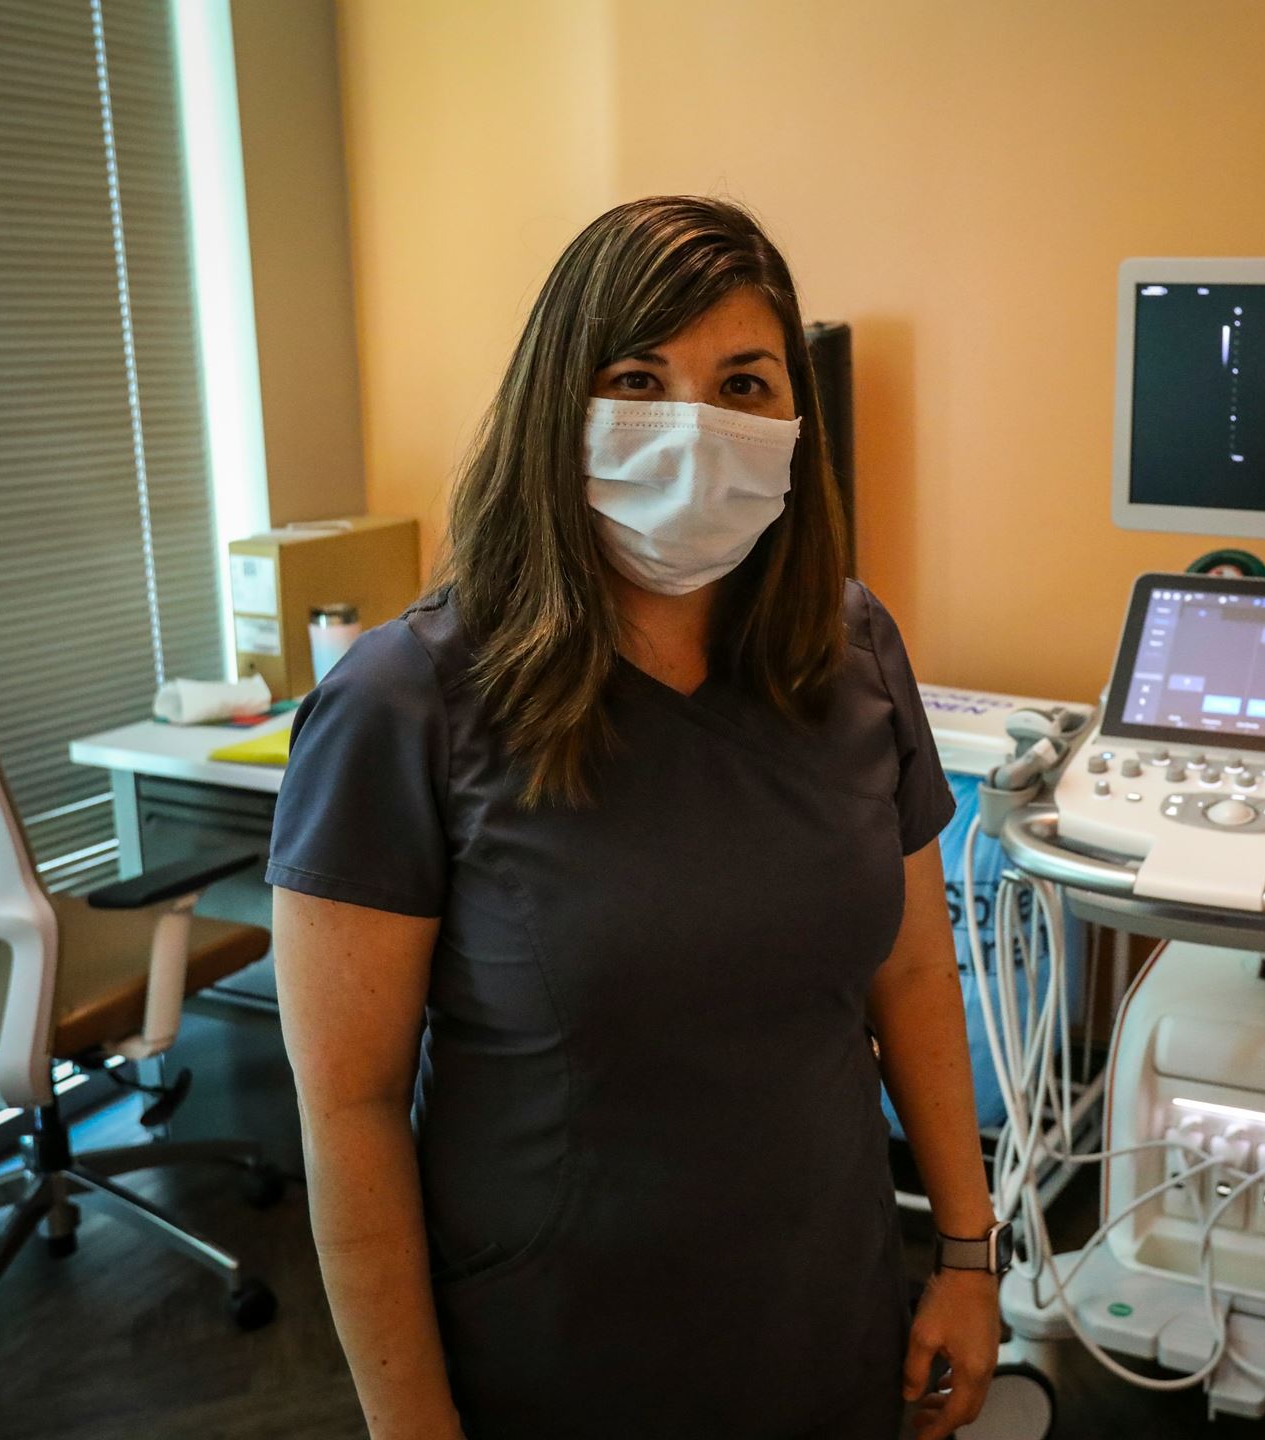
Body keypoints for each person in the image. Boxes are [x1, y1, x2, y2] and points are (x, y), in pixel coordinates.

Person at [266, 197, 1001, 1439]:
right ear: (562, 403)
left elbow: (918, 970)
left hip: (825, 1312)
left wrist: (973, 1260)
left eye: (745, 383)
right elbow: (348, 1108)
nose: (696, 430)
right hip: (558, 1348)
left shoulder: (853, 650)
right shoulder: (405, 706)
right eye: (638, 378)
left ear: (794, 420)